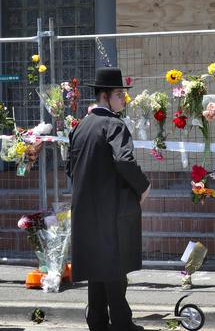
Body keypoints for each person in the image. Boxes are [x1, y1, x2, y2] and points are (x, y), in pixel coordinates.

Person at [66, 67, 151, 331]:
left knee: (97, 268)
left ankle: (98, 321)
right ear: (105, 97)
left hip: (85, 210)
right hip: (112, 210)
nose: (123, 99)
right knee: (114, 268)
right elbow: (124, 160)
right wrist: (143, 187)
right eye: (119, 94)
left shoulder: (80, 127)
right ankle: (122, 323)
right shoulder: (114, 124)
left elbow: (69, 167)